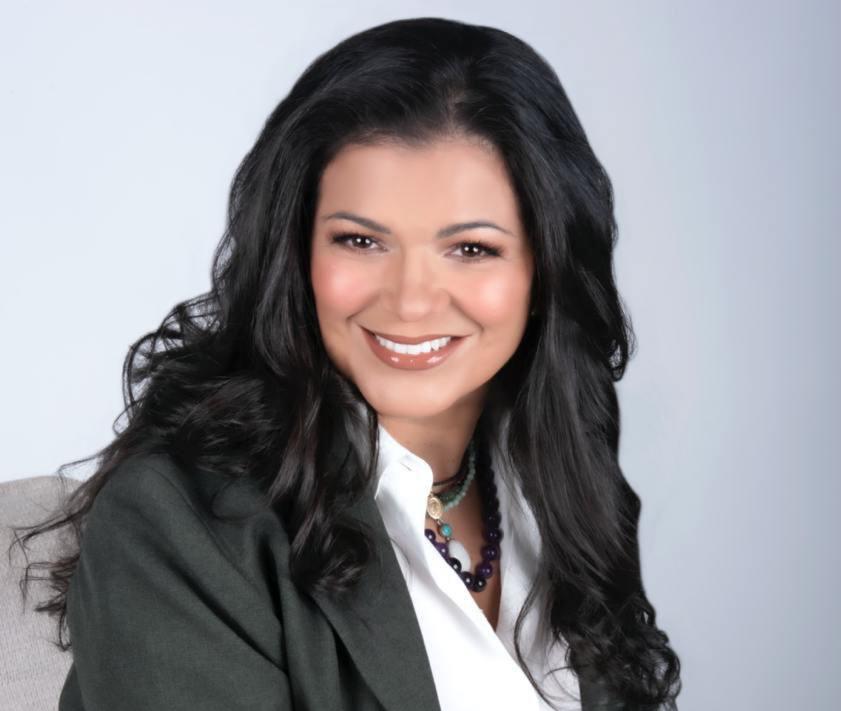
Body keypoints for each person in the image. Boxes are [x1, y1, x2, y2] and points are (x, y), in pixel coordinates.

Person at [11, 16, 682, 711]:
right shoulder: (179, 520)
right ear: (295, 252)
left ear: (545, 269)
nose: (411, 300)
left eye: (471, 249)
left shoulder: (557, 458)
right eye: (361, 240)